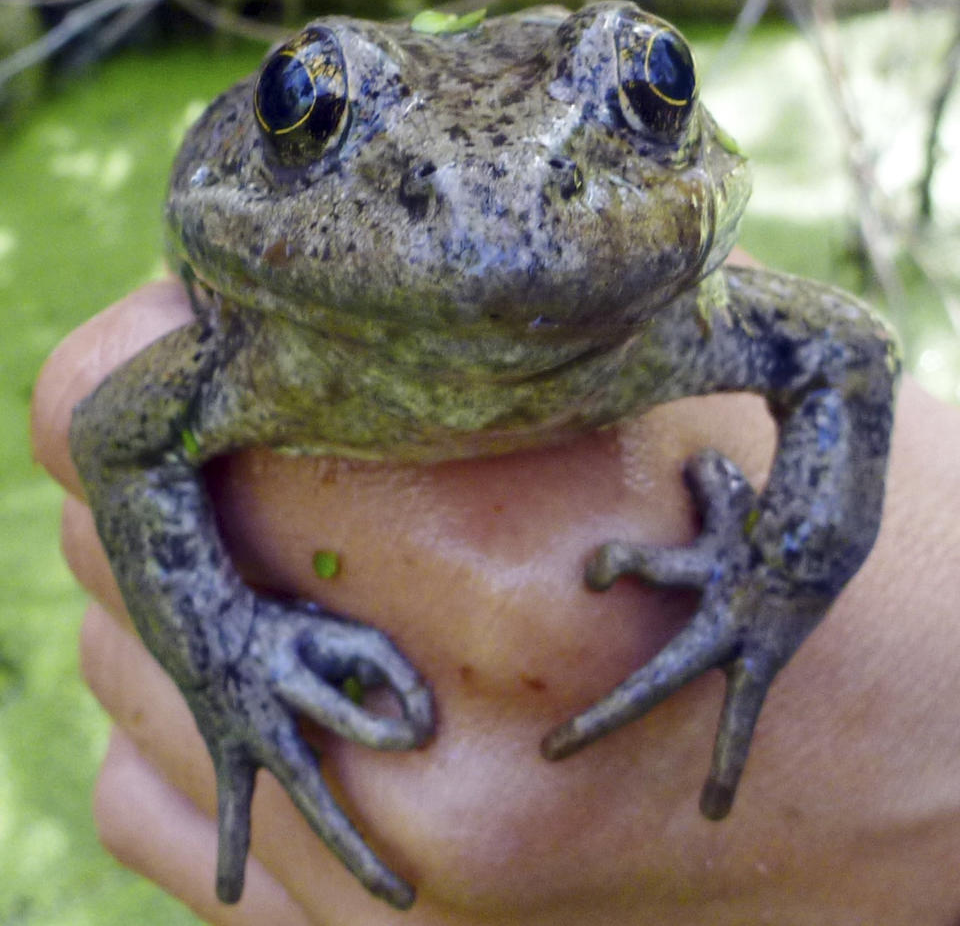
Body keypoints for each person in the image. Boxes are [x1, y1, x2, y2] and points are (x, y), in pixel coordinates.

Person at [31, 274, 960, 925]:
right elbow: (122, 438)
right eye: (308, 107)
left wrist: (779, 581)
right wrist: (225, 653)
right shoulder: (242, 343)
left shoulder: (688, 310)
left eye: (651, 90)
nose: (490, 217)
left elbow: (844, 353)